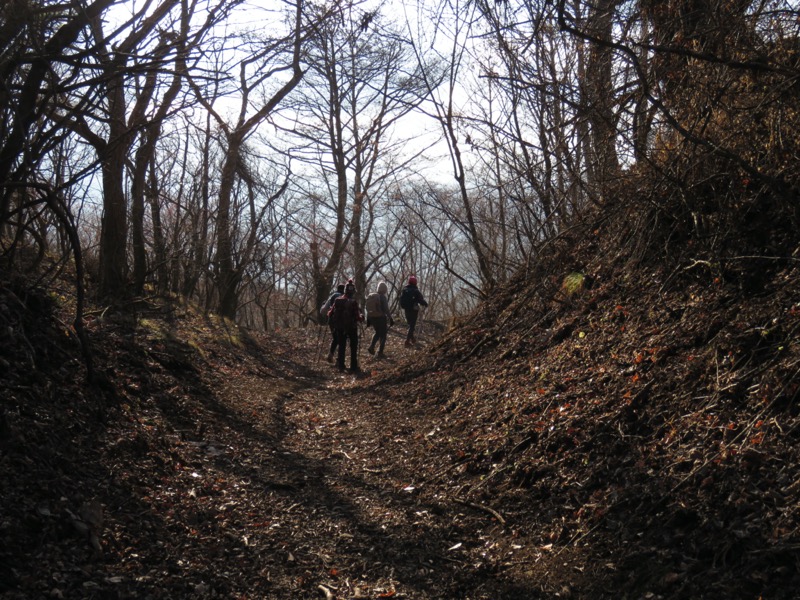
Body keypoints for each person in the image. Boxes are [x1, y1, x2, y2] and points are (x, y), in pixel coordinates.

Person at [327, 279, 364, 372]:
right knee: (353, 345)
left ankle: (341, 366)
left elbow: (330, 313)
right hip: (351, 327)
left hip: (339, 327)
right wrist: (362, 317)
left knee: (342, 345)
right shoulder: (353, 302)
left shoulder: (337, 300)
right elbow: (357, 317)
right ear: (353, 291)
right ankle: (353, 366)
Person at [399, 275, 428, 347]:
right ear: (415, 283)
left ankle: (412, 339)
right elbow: (420, 299)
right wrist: (425, 304)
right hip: (413, 310)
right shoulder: (415, 290)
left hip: (406, 309)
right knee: (412, 326)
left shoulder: (404, 290)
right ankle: (407, 341)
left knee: (410, 325)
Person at [366, 281, 393, 358]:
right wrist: (391, 318)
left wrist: (368, 319)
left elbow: (368, 309)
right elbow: (386, 309)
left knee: (377, 332)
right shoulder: (382, 297)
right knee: (383, 335)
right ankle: (380, 352)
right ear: (385, 290)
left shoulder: (372, 296)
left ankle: (371, 347)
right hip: (380, 318)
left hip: (372, 318)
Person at [322, 284, 345, 363]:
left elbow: (323, 310)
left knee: (336, 337)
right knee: (342, 339)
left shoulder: (332, 296)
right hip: (342, 321)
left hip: (332, 320)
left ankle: (331, 355)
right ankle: (339, 359)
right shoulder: (345, 297)